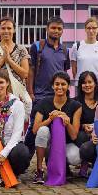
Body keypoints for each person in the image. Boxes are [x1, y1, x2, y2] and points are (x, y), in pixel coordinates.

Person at [25, 16, 70, 156]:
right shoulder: (38, 46)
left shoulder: (65, 50)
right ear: (47, 29)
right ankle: (25, 157)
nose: (56, 31)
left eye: (59, 29)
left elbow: (65, 72)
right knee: (35, 128)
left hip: (59, 96)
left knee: (59, 128)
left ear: (62, 31)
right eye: (53, 28)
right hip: (40, 95)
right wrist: (30, 92)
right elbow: (31, 70)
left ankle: (59, 162)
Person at [32, 72, 82, 184]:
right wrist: (49, 119)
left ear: (68, 86)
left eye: (63, 84)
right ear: (52, 86)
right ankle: (39, 170)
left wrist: (67, 122)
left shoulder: (76, 105)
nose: (60, 87)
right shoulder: (44, 102)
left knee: (76, 157)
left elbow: (74, 135)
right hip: (48, 145)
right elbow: (35, 129)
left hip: (65, 144)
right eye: (57, 84)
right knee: (43, 130)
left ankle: (64, 166)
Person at [0, 16, 31, 120]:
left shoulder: (21, 49)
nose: (6, 31)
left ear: (14, 30)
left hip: (17, 95)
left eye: (9, 28)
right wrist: (2, 61)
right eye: (3, 28)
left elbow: (25, 74)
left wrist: (9, 60)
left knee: (16, 125)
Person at [70, 17, 98, 92]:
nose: (91, 31)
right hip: (81, 85)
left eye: (94, 28)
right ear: (85, 29)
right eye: (88, 28)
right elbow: (74, 69)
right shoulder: (76, 46)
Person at [75, 71, 98, 177]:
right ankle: (84, 163)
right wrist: (83, 126)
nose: (87, 85)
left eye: (90, 82)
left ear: (95, 84)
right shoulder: (76, 102)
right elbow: (74, 122)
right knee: (81, 136)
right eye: (84, 83)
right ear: (80, 85)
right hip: (83, 133)